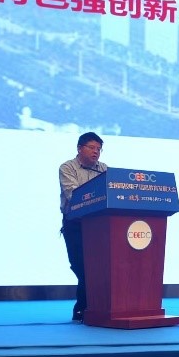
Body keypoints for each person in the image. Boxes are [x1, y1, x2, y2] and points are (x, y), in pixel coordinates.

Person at [59, 132, 107, 322]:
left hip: (99, 225)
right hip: (75, 224)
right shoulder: (67, 167)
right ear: (80, 148)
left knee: (97, 267)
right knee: (81, 266)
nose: (96, 152)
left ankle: (85, 309)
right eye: (92, 147)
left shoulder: (104, 169)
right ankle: (84, 307)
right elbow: (73, 195)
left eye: (99, 149)